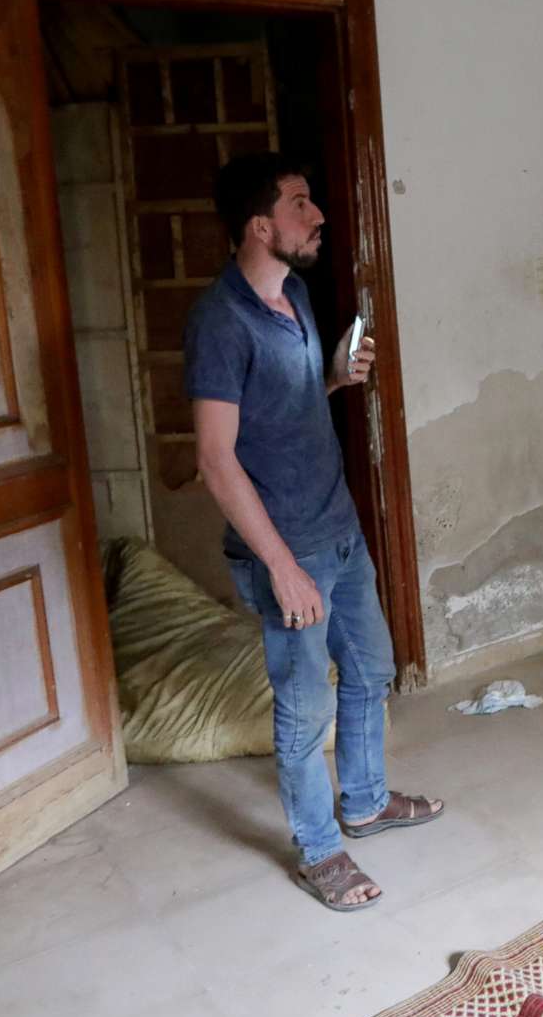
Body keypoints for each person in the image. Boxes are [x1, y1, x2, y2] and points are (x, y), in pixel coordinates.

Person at [186, 152, 442, 911]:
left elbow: (282, 407)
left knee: (369, 670)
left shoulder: (294, 293)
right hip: (285, 548)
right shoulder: (218, 322)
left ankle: (362, 803)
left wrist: (332, 375)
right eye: (302, 205)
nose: (318, 216)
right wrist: (282, 568)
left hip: (337, 525)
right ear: (261, 224)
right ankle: (319, 850)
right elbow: (213, 457)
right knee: (305, 707)